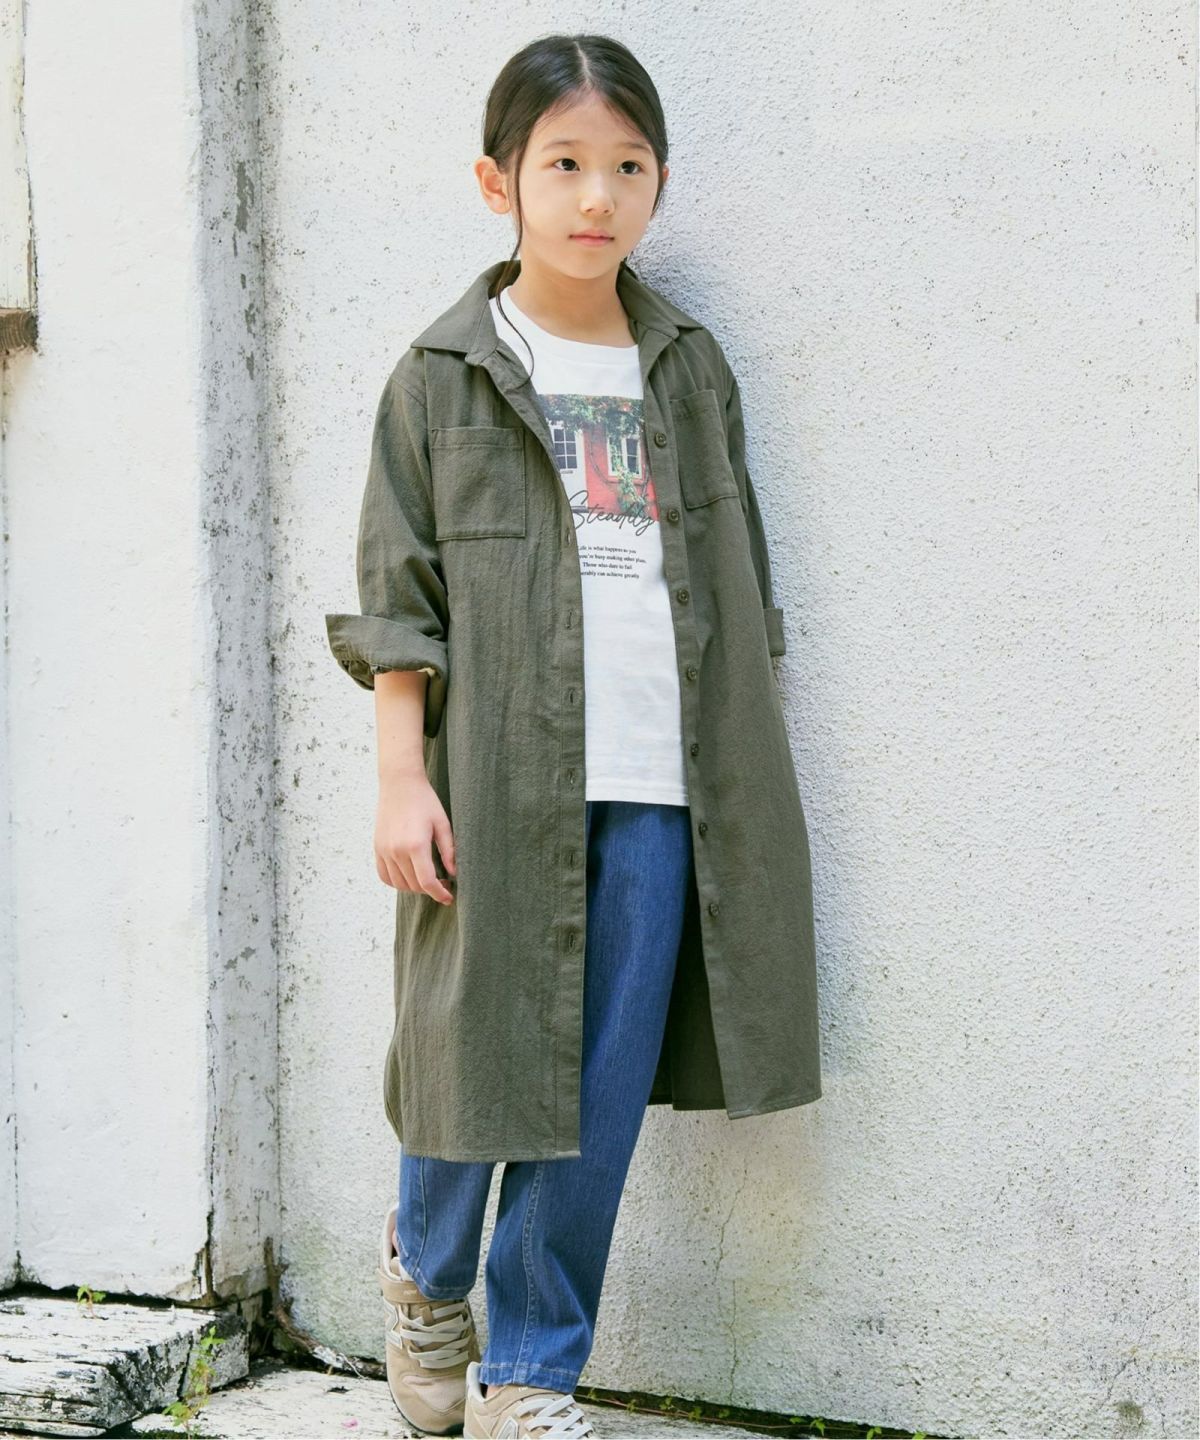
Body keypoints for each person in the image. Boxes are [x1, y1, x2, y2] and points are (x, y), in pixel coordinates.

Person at [325, 31, 822, 1440]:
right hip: (493, 779)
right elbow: (400, 598)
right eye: (563, 165)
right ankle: (428, 1275)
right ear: (500, 182)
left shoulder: (688, 368)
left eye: (628, 167)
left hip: (663, 783)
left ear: (658, 183)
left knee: (597, 1098)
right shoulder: (441, 375)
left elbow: (740, 584)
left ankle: (531, 1371)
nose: (597, 197)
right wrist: (403, 779)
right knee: (466, 1055)